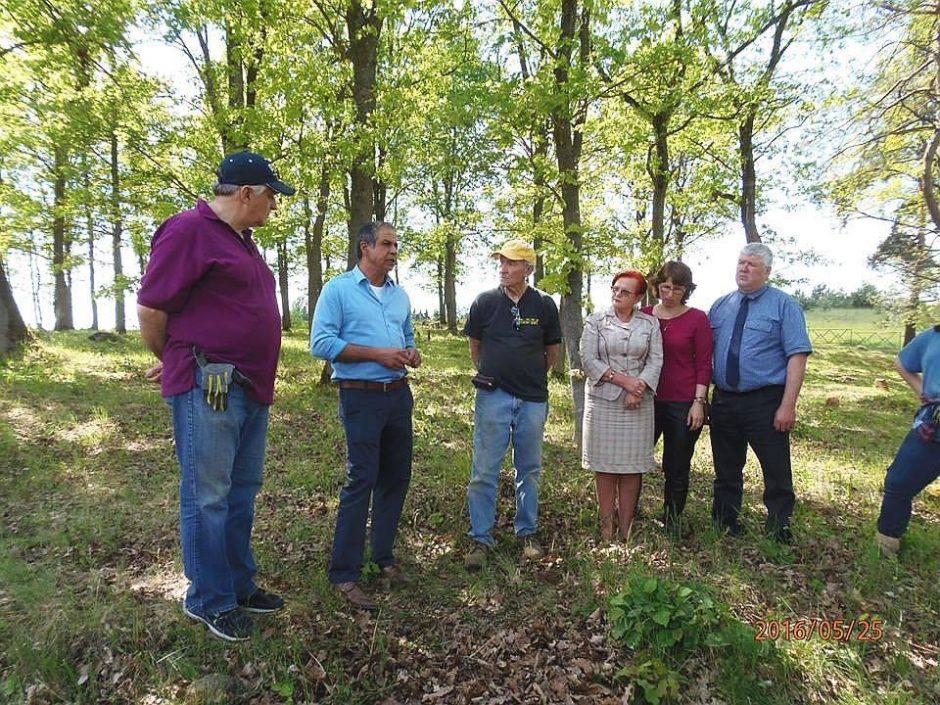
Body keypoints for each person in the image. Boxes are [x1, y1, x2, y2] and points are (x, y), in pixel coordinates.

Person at [137, 150, 295, 641]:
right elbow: (151, 310)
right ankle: (208, 598)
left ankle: (238, 583)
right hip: (208, 388)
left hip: (250, 389)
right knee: (208, 496)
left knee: (241, 492)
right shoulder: (188, 230)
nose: (274, 205)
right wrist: (182, 362)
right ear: (246, 193)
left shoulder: (243, 241)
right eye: (271, 195)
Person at [310, 221, 421, 611]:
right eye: (386, 244)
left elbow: (407, 336)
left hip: (398, 395)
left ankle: (384, 558)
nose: (393, 251)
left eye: (396, 244)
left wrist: (410, 352)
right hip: (360, 396)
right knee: (362, 479)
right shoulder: (338, 290)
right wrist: (377, 355)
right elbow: (321, 343)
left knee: (396, 478)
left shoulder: (399, 295)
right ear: (365, 247)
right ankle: (345, 573)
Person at [463, 239, 562, 570]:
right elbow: (475, 347)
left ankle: (527, 532)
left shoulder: (545, 305)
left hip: (533, 399)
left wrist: (531, 378)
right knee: (484, 470)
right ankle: (480, 537)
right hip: (493, 397)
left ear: (528, 269)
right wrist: (490, 374)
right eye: (501, 262)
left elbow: (552, 352)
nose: (503, 268)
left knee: (529, 469)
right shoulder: (484, 302)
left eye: (511, 263)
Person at [709, 243, 812, 543]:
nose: (744, 269)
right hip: (725, 400)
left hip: (765, 401)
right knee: (726, 467)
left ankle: (779, 527)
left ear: (767, 271)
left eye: (752, 265)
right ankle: (725, 522)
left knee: (776, 468)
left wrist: (788, 405)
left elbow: (797, 355)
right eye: (741, 263)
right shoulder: (721, 305)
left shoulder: (784, 306)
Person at [581, 271, 663, 540]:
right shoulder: (595, 320)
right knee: (604, 468)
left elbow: (656, 360)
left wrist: (639, 388)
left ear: (639, 297)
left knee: (631, 468)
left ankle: (626, 528)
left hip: (638, 404)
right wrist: (624, 382)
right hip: (603, 401)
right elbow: (589, 359)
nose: (617, 294)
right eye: (615, 289)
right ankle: (606, 528)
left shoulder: (650, 324)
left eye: (625, 291)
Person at [641, 261, 713, 536]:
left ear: (687, 290)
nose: (669, 294)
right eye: (665, 287)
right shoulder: (645, 316)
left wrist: (699, 401)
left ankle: (672, 520)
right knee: (634, 457)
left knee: (676, 463)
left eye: (677, 289)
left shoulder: (697, 319)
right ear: (657, 286)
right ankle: (627, 512)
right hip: (647, 398)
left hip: (683, 401)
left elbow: (704, 363)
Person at [876, 325, 940, 557]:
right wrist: (922, 390)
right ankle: (886, 547)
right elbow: (902, 362)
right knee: (898, 483)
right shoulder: (933, 336)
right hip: (933, 425)